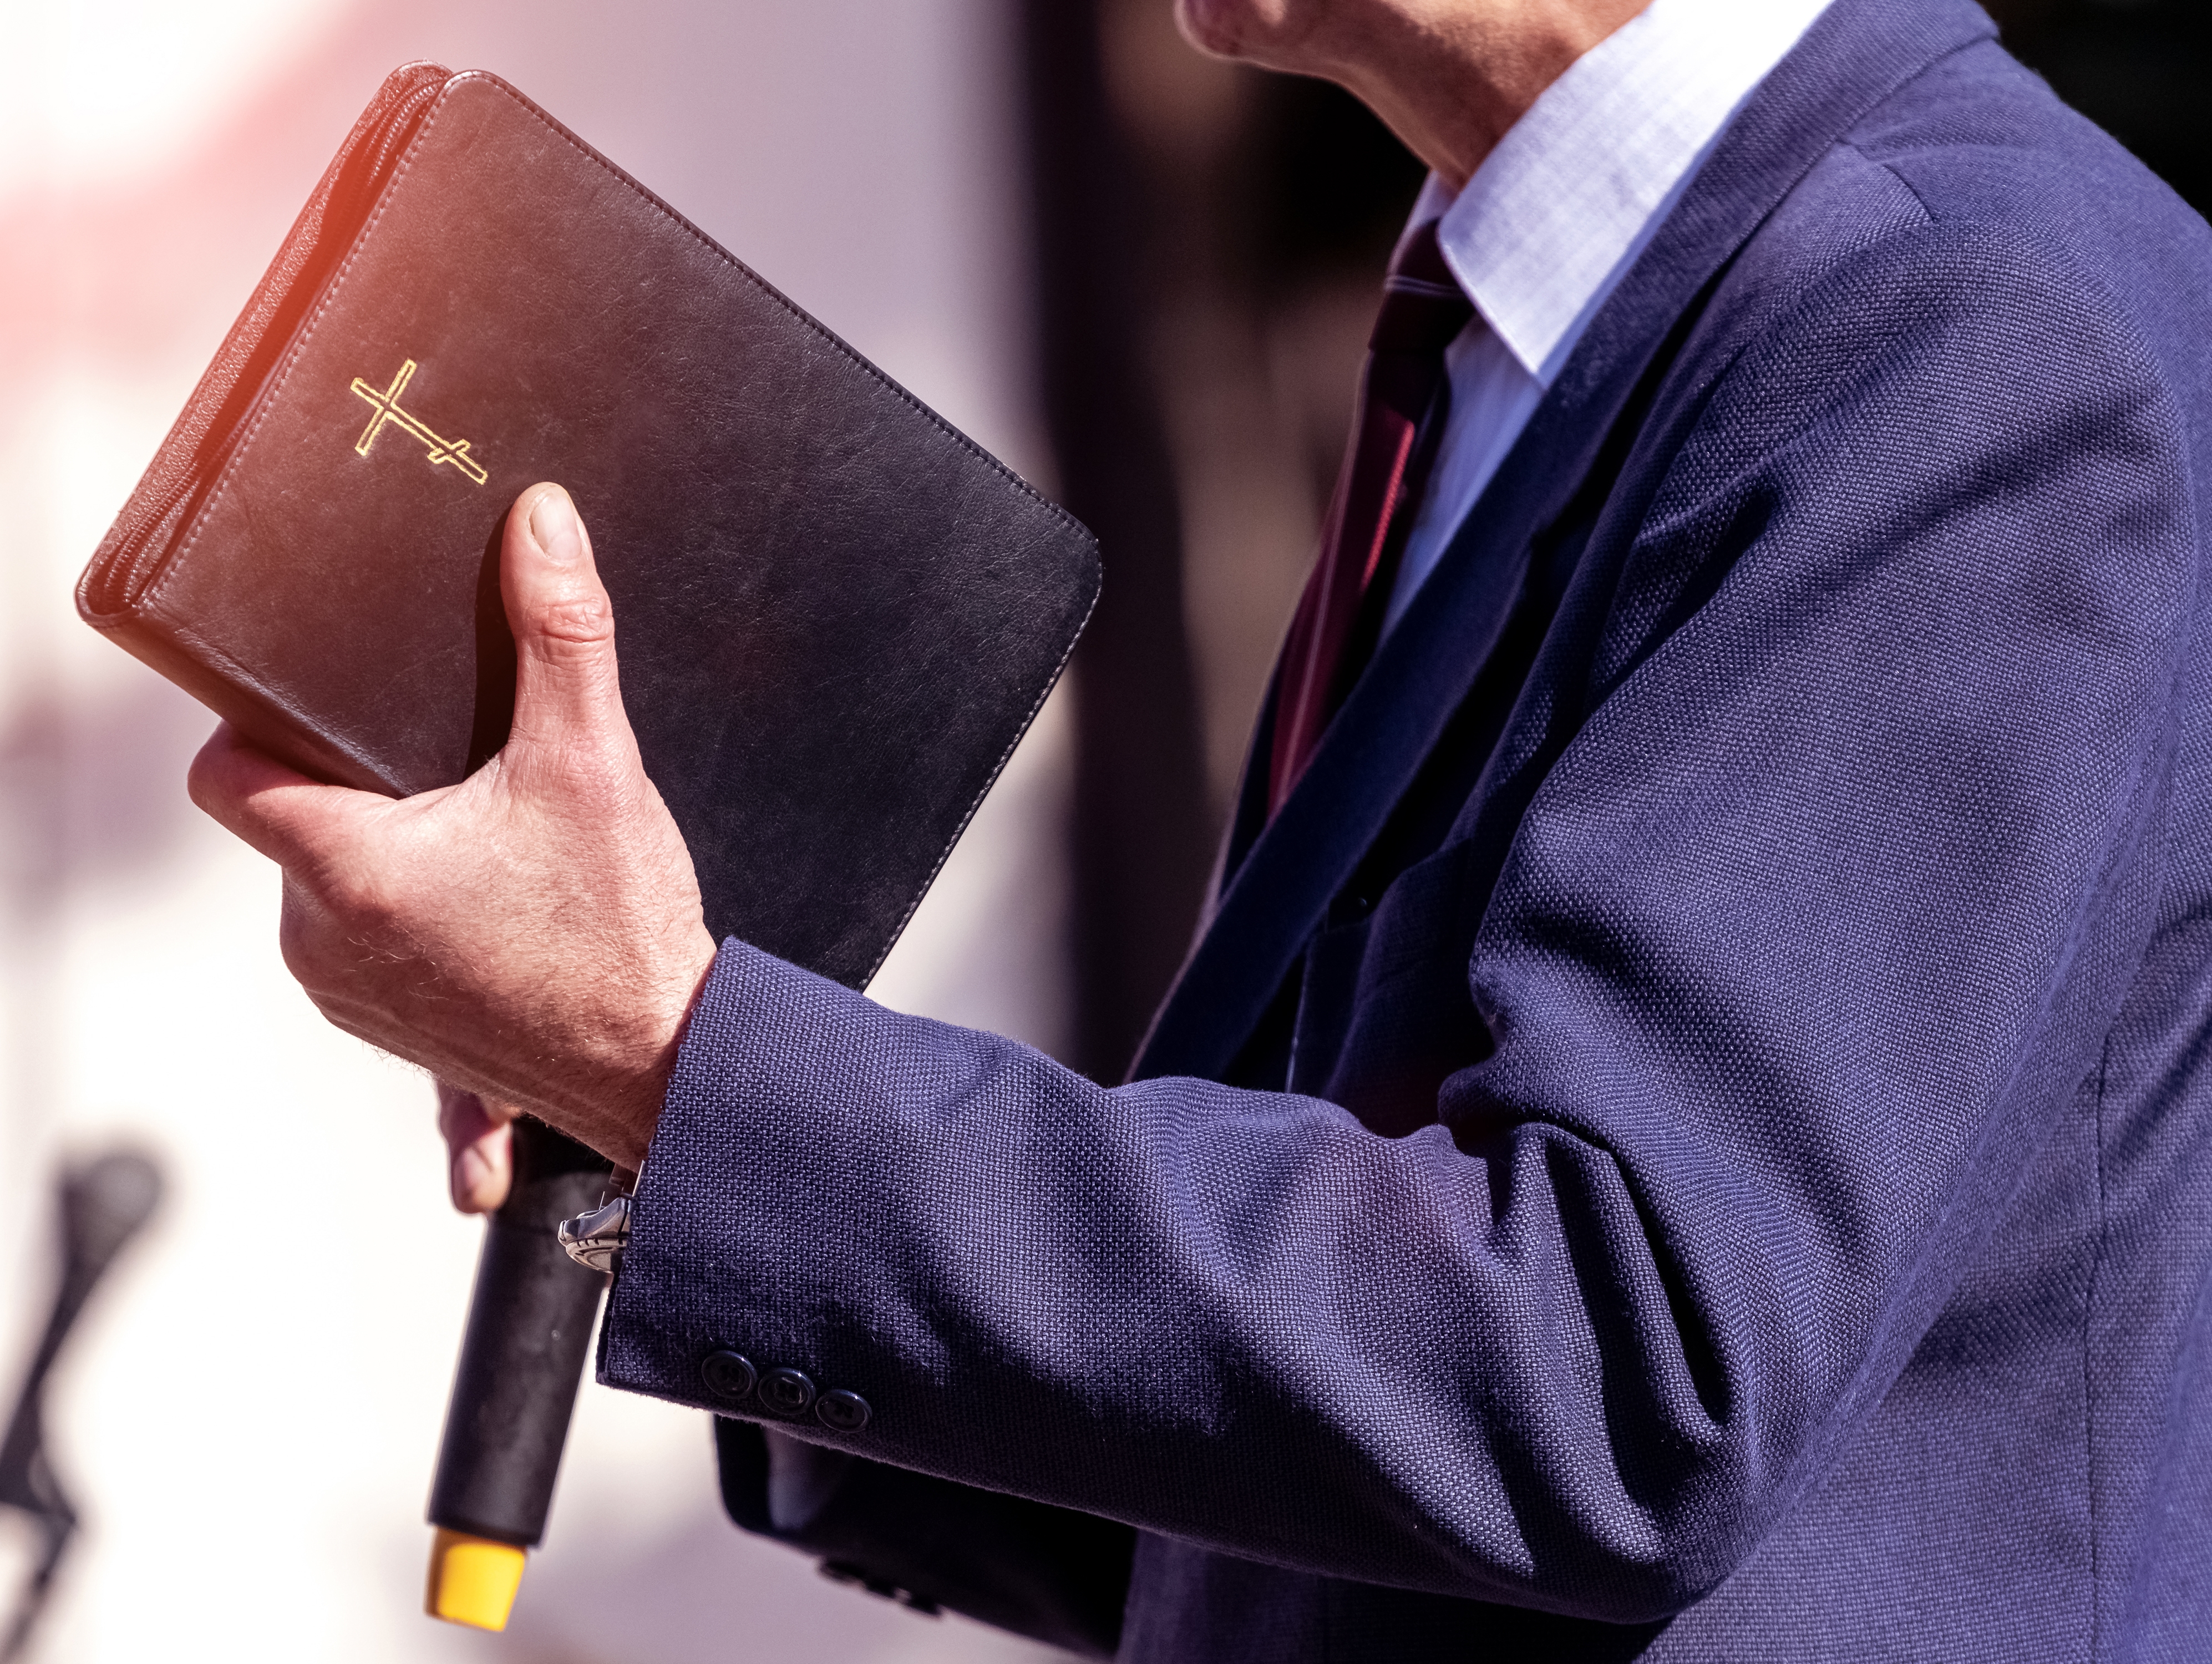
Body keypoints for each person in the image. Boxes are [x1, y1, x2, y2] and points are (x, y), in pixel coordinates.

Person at [186, 0, 2212, 1655]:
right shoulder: (1559, 328)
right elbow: (1296, 1508)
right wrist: (660, 1116)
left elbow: (1611, 1378)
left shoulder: (1969, 326)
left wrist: (685, 1056)